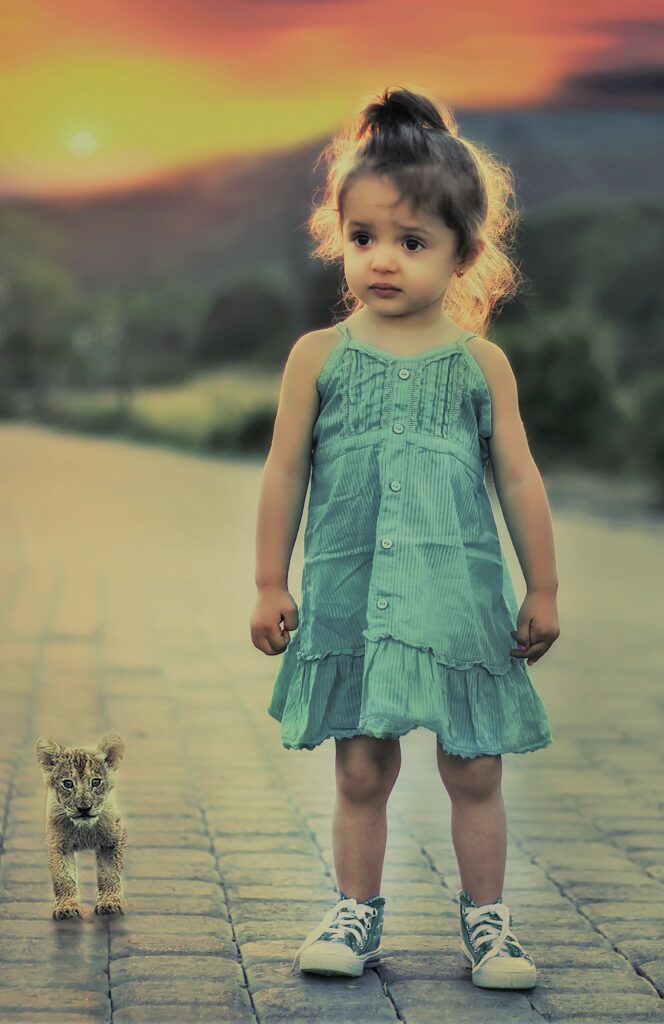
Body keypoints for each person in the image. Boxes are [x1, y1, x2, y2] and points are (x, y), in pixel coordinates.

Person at [250, 85, 559, 990]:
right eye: (363, 238)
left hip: (459, 597)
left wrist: (542, 588)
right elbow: (283, 471)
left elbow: (519, 477)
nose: (383, 260)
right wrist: (270, 581)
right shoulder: (317, 355)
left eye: (411, 242)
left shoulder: (480, 363)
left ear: (464, 252)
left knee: (473, 766)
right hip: (352, 593)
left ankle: (489, 926)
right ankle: (357, 914)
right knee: (360, 766)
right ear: (338, 237)